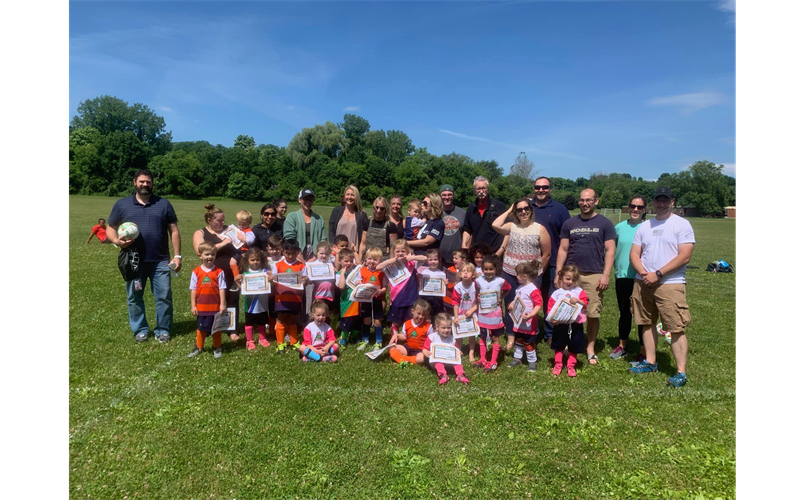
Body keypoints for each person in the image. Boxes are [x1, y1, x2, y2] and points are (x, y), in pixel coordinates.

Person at [629, 187, 695, 388]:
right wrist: (644, 274)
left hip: (670, 283)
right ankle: (650, 361)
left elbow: (685, 256)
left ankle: (680, 371)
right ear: (653, 202)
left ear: (672, 202)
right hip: (643, 282)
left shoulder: (681, 224)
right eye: (658, 200)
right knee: (646, 322)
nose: (662, 204)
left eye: (666, 200)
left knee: (676, 327)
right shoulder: (644, 226)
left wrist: (658, 274)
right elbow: (634, 254)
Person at [107, 169, 182, 343]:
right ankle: (140, 330)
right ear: (134, 182)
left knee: (163, 296)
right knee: (134, 296)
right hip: (133, 261)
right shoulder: (122, 204)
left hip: (160, 260)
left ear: (152, 183)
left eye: (148, 182)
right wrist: (116, 242)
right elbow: (110, 228)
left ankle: (163, 329)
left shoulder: (164, 204)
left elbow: (174, 231)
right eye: (141, 181)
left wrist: (177, 256)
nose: (145, 184)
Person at [555, 188, 616, 365]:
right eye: (582, 200)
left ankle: (589, 348)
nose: (585, 203)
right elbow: (563, 249)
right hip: (572, 275)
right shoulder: (569, 223)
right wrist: (560, 274)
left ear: (596, 201)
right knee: (568, 311)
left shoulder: (605, 223)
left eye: (589, 200)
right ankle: (569, 344)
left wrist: (605, 275)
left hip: (594, 274)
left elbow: (610, 250)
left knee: (592, 313)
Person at [492, 197, 551, 351]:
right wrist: (509, 210)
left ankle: (529, 337)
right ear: (515, 212)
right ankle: (511, 338)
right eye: (519, 210)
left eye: (526, 208)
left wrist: (537, 274)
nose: (523, 212)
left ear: (531, 210)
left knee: (529, 306)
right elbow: (495, 225)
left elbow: (546, 254)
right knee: (510, 305)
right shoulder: (512, 226)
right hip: (510, 273)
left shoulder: (540, 229)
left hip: (530, 277)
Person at [531, 177, 571, 345]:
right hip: (530, 263)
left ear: (550, 189)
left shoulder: (560, 209)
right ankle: (529, 331)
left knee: (551, 297)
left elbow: (566, 237)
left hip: (553, 261)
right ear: (534, 189)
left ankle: (550, 333)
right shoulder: (526, 207)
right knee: (530, 297)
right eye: (538, 187)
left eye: (545, 187)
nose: (541, 190)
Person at [192, 204, 240, 341]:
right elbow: (198, 250)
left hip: (231, 271)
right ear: (209, 220)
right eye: (219, 220)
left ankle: (232, 329)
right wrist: (224, 243)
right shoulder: (200, 233)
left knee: (232, 299)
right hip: (210, 274)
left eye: (223, 220)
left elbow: (241, 246)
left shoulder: (229, 230)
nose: (222, 223)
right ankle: (209, 327)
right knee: (211, 299)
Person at [610, 195, 648, 361]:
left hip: (642, 277)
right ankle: (622, 346)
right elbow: (612, 250)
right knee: (624, 312)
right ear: (628, 207)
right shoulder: (619, 227)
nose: (635, 210)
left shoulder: (648, 227)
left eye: (640, 207)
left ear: (645, 209)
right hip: (623, 276)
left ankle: (643, 350)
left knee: (642, 315)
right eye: (633, 206)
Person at [187, 242, 227, 359]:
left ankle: (217, 347)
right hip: (201, 307)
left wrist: (222, 304)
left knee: (216, 328)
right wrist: (193, 305)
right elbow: (193, 289)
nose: (210, 257)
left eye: (213, 254)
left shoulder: (219, 271)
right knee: (201, 328)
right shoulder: (196, 272)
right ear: (200, 255)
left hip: (215, 307)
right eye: (207, 254)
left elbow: (222, 288)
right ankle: (199, 347)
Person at [548, 265, 589, 377]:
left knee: (574, 345)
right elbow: (551, 309)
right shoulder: (557, 293)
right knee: (558, 345)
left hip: (575, 324)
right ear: (561, 278)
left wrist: (578, 301)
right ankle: (558, 364)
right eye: (568, 278)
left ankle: (571, 366)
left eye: (573, 280)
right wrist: (553, 320)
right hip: (560, 324)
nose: (570, 282)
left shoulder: (579, 291)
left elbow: (586, 303)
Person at [377, 240, 422, 343]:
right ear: (393, 252)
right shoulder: (391, 264)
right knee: (395, 322)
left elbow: (424, 258)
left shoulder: (412, 263)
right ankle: (394, 341)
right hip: (396, 298)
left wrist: (412, 257)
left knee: (410, 321)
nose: (400, 253)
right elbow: (378, 267)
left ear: (407, 251)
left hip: (411, 299)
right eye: (397, 251)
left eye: (403, 251)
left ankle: (409, 340)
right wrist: (391, 260)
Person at [475, 255, 511, 372]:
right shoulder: (478, 281)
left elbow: (508, 288)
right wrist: (478, 297)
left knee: (495, 337)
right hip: (483, 314)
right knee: (482, 336)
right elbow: (476, 291)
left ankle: (493, 361)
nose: (488, 272)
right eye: (485, 269)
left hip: (495, 316)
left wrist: (501, 298)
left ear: (496, 269)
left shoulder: (500, 281)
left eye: (491, 269)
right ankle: (482, 359)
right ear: (482, 269)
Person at [271, 239, 309, 353]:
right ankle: (280, 344)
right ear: (283, 251)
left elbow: (305, 281)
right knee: (281, 319)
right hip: (281, 299)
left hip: (295, 298)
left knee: (292, 320)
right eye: (288, 253)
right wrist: (271, 279)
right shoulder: (277, 265)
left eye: (293, 253)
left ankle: (293, 342)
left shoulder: (301, 266)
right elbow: (273, 281)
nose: (290, 256)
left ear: (298, 252)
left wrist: (305, 280)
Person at [506, 260, 543, 372]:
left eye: (518, 274)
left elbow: (538, 304)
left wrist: (531, 314)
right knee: (519, 340)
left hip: (528, 322)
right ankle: (517, 358)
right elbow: (516, 301)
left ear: (524, 276)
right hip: (518, 321)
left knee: (528, 341)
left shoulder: (533, 289)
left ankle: (532, 361)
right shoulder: (519, 288)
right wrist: (511, 305)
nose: (516, 276)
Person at [234, 247, 272, 350]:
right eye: (252, 260)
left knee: (262, 322)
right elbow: (242, 288)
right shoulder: (245, 274)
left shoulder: (265, 272)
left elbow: (270, 285)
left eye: (257, 259)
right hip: (249, 305)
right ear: (247, 260)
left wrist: (271, 279)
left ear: (261, 260)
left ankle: (262, 339)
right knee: (249, 323)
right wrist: (237, 281)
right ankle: (249, 340)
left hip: (262, 304)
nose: (255, 262)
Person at [462, 176, 507, 255]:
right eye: (478, 189)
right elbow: (467, 230)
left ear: (488, 189)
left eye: (484, 188)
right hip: (477, 255)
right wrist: (464, 248)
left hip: (495, 253)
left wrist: (500, 251)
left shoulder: (499, 206)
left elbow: (508, 230)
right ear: (474, 190)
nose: (481, 191)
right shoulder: (471, 209)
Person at [423, 313, 470, 385]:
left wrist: (458, 353)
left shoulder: (452, 339)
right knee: (437, 362)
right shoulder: (432, 337)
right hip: (435, 362)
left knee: (457, 363)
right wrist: (426, 352)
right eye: (443, 328)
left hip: (448, 362)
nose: (446, 330)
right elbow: (424, 349)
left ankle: (460, 375)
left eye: (448, 327)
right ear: (437, 327)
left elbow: (455, 350)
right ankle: (443, 375)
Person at [357, 247, 388, 351]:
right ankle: (365, 340)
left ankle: (378, 342)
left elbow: (385, 286)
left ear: (380, 261)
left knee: (377, 321)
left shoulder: (382, 272)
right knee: (366, 320)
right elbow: (358, 282)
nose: (372, 261)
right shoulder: (362, 270)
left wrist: (381, 291)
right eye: (370, 258)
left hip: (377, 299)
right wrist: (359, 284)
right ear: (366, 259)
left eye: (375, 259)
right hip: (365, 300)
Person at [284, 189, 327, 262]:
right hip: (295, 254)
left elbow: (323, 240)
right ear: (299, 200)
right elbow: (289, 238)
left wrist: (315, 257)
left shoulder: (319, 219)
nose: (308, 202)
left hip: (316, 256)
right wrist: (299, 255)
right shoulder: (292, 217)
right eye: (305, 199)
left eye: (310, 200)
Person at [329, 185, 369, 260]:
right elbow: (331, 231)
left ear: (356, 197)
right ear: (344, 196)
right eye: (347, 194)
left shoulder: (362, 215)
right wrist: (333, 247)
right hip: (338, 253)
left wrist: (360, 257)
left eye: (352, 195)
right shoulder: (336, 211)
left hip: (353, 254)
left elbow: (363, 240)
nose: (349, 197)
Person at [388, 299, 432, 366]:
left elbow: (431, 340)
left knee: (422, 358)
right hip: (407, 348)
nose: (420, 317)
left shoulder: (428, 326)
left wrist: (426, 350)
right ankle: (403, 360)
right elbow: (405, 336)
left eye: (423, 315)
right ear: (413, 311)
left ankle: (403, 359)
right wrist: (396, 336)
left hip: (420, 350)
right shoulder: (407, 323)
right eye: (419, 313)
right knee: (392, 347)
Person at [452, 262, 480, 363]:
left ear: (473, 274)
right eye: (463, 271)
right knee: (459, 335)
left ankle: (471, 353)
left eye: (468, 271)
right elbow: (455, 302)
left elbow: (480, 301)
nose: (465, 273)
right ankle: (458, 352)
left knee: (472, 335)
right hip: (461, 313)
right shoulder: (458, 287)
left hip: (473, 312)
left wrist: (472, 310)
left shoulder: (476, 285)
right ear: (460, 274)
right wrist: (456, 316)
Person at [336, 248, 362, 345]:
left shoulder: (355, 271)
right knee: (346, 322)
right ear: (340, 261)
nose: (349, 263)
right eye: (346, 261)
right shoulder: (339, 274)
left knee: (357, 321)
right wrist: (342, 273)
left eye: (351, 261)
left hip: (357, 302)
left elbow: (360, 265)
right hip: (346, 302)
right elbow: (341, 286)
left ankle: (354, 336)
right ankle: (344, 337)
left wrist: (355, 252)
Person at [438, 185, 467, 267]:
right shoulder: (435, 212)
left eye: (449, 194)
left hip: (457, 258)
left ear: (453, 196)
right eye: (444, 195)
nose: (447, 197)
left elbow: (468, 233)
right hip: (438, 258)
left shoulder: (462, 213)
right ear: (440, 196)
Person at [359, 196, 393, 261]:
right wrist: (360, 260)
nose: (378, 210)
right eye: (376, 207)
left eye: (382, 208)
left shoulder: (391, 225)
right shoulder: (367, 223)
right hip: (368, 260)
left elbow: (393, 247)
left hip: (383, 261)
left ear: (386, 210)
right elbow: (363, 244)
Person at [417, 249, 447, 317]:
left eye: (435, 259)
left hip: (437, 299)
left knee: (438, 315)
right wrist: (418, 280)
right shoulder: (423, 273)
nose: (433, 262)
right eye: (430, 260)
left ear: (439, 260)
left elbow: (444, 290)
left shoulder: (442, 274)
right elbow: (419, 287)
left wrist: (446, 284)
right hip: (425, 298)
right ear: (427, 261)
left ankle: (436, 326)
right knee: (426, 314)